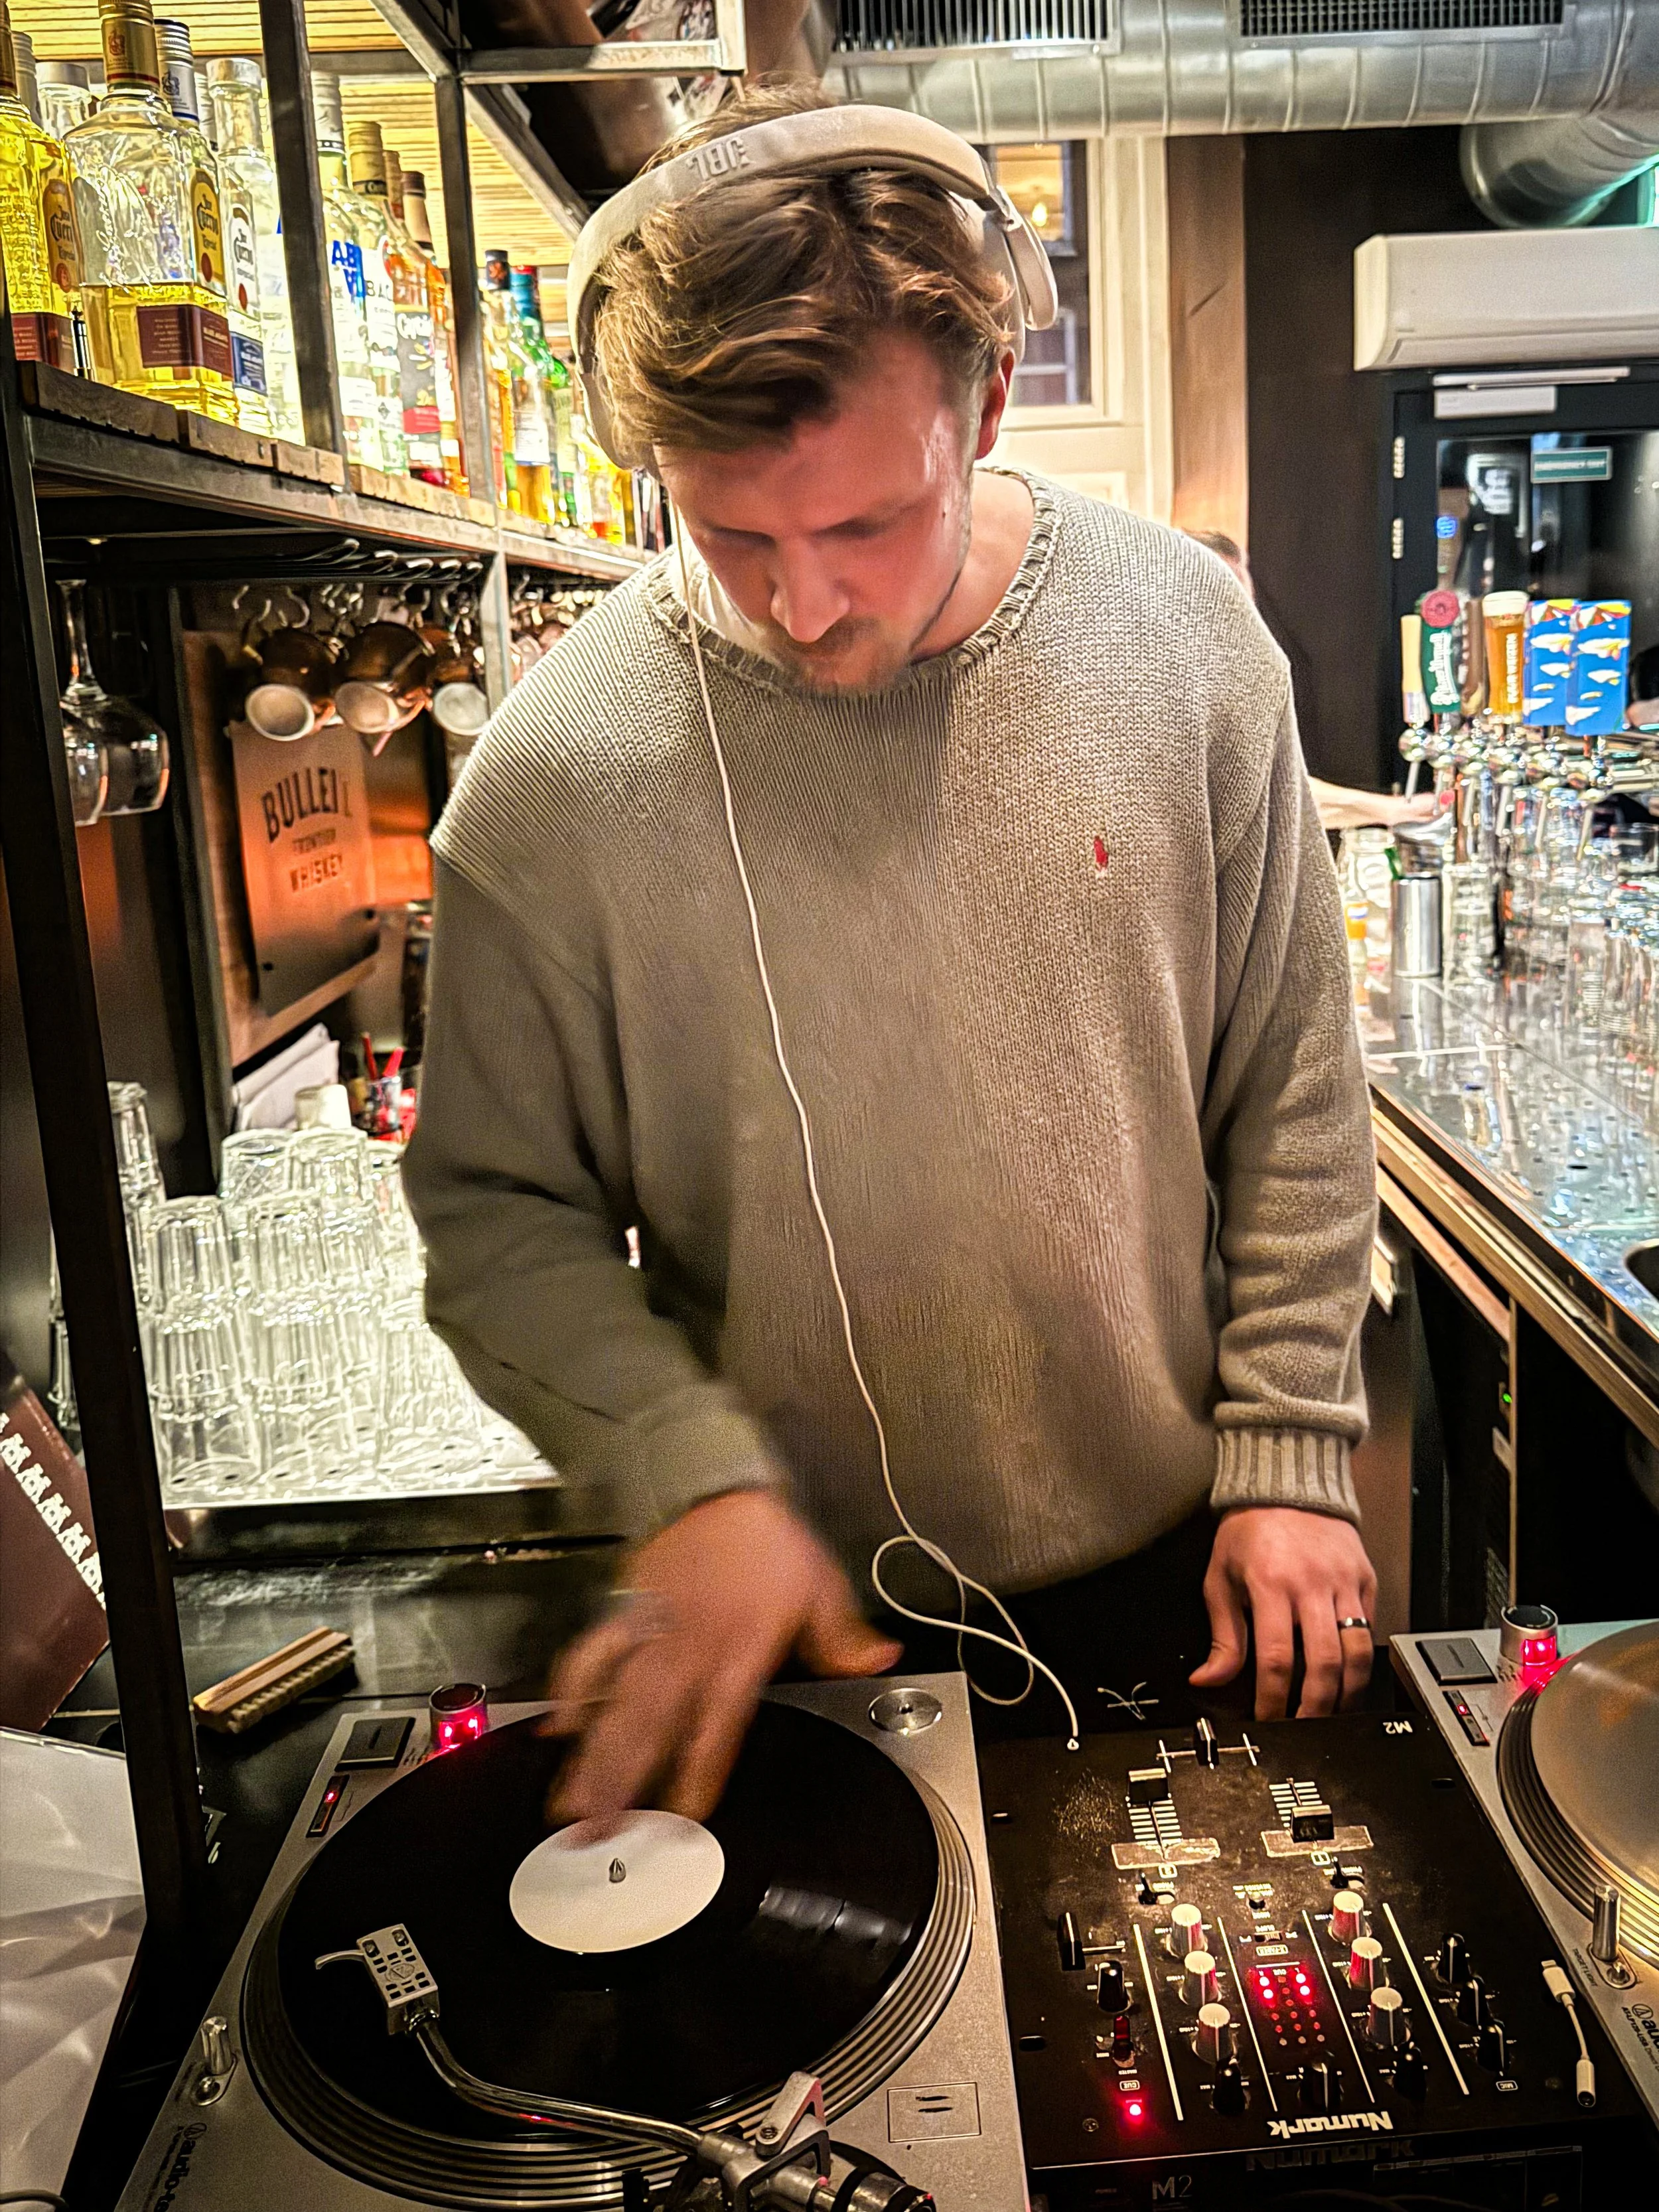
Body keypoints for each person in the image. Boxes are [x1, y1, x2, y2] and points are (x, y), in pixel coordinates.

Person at [404, 88, 1380, 1828]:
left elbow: (1291, 1079)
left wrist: (1292, 1441)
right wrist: (683, 1473)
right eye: (732, 538)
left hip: (1177, 1568)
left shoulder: (1188, 642)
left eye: (864, 525)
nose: (799, 603)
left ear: (987, 404)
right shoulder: (547, 783)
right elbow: (492, 1212)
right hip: (786, 1622)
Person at [1183, 530, 1437, 834]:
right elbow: (1266, 801)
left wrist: (1391, 810)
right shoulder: (1178, 691)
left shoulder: (1231, 679)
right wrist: (1390, 810)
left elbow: (1277, 791)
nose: (1247, 627)